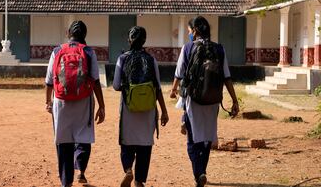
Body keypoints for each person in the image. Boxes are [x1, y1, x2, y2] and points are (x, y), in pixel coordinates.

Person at [170, 16, 239, 187]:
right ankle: (202, 171)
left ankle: (199, 172)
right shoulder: (219, 49)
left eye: (189, 32)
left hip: (193, 100)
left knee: (192, 139)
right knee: (207, 137)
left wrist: (173, 90)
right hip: (213, 100)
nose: (189, 35)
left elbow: (179, 73)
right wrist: (234, 100)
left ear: (195, 31)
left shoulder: (188, 48)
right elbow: (227, 77)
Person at [45, 20, 105, 187]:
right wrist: (102, 105)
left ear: (67, 33)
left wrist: (47, 101)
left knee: (63, 141)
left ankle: (66, 182)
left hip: (61, 102)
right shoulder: (88, 52)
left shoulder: (57, 51)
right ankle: (81, 170)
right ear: (85, 35)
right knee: (83, 136)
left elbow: (49, 81)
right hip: (83, 101)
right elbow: (95, 81)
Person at [113, 26, 169, 187]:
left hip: (129, 108)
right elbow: (157, 88)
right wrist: (164, 111)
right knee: (145, 145)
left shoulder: (123, 58)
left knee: (126, 142)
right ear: (144, 40)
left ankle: (128, 170)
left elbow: (117, 86)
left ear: (129, 40)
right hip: (148, 109)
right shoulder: (151, 59)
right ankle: (139, 181)